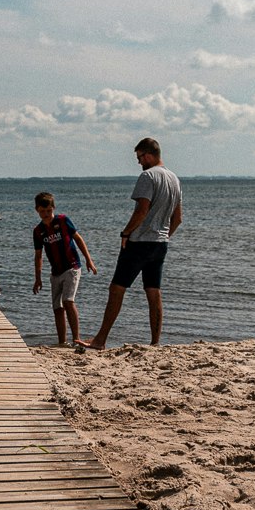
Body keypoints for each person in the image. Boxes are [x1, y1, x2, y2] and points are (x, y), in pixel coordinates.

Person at [78, 137, 182, 350]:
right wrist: (164, 236)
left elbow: (141, 210)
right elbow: (177, 218)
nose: (138, 162)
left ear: (149, 155)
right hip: (160, 243)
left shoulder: (148, 176)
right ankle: (155, 343)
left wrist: (125, 233)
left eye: (139, 157)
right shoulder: (174, 179)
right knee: (154, 292)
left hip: (139, 243)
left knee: (116, 289)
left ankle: (100, 340)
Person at [31, 191, 97, 347]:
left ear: (53, 208)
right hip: (55, 272)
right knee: (57, 307)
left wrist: (89, 260)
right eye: (42, 211)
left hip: (72, 267)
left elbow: (78, 239)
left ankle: (76, 339)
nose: (46, 214)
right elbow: (38, 256)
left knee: (68, 301)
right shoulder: (38, 231)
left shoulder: (63, 221)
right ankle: (62, 342)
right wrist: (38, 278)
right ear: (37, 210)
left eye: (48, 211)